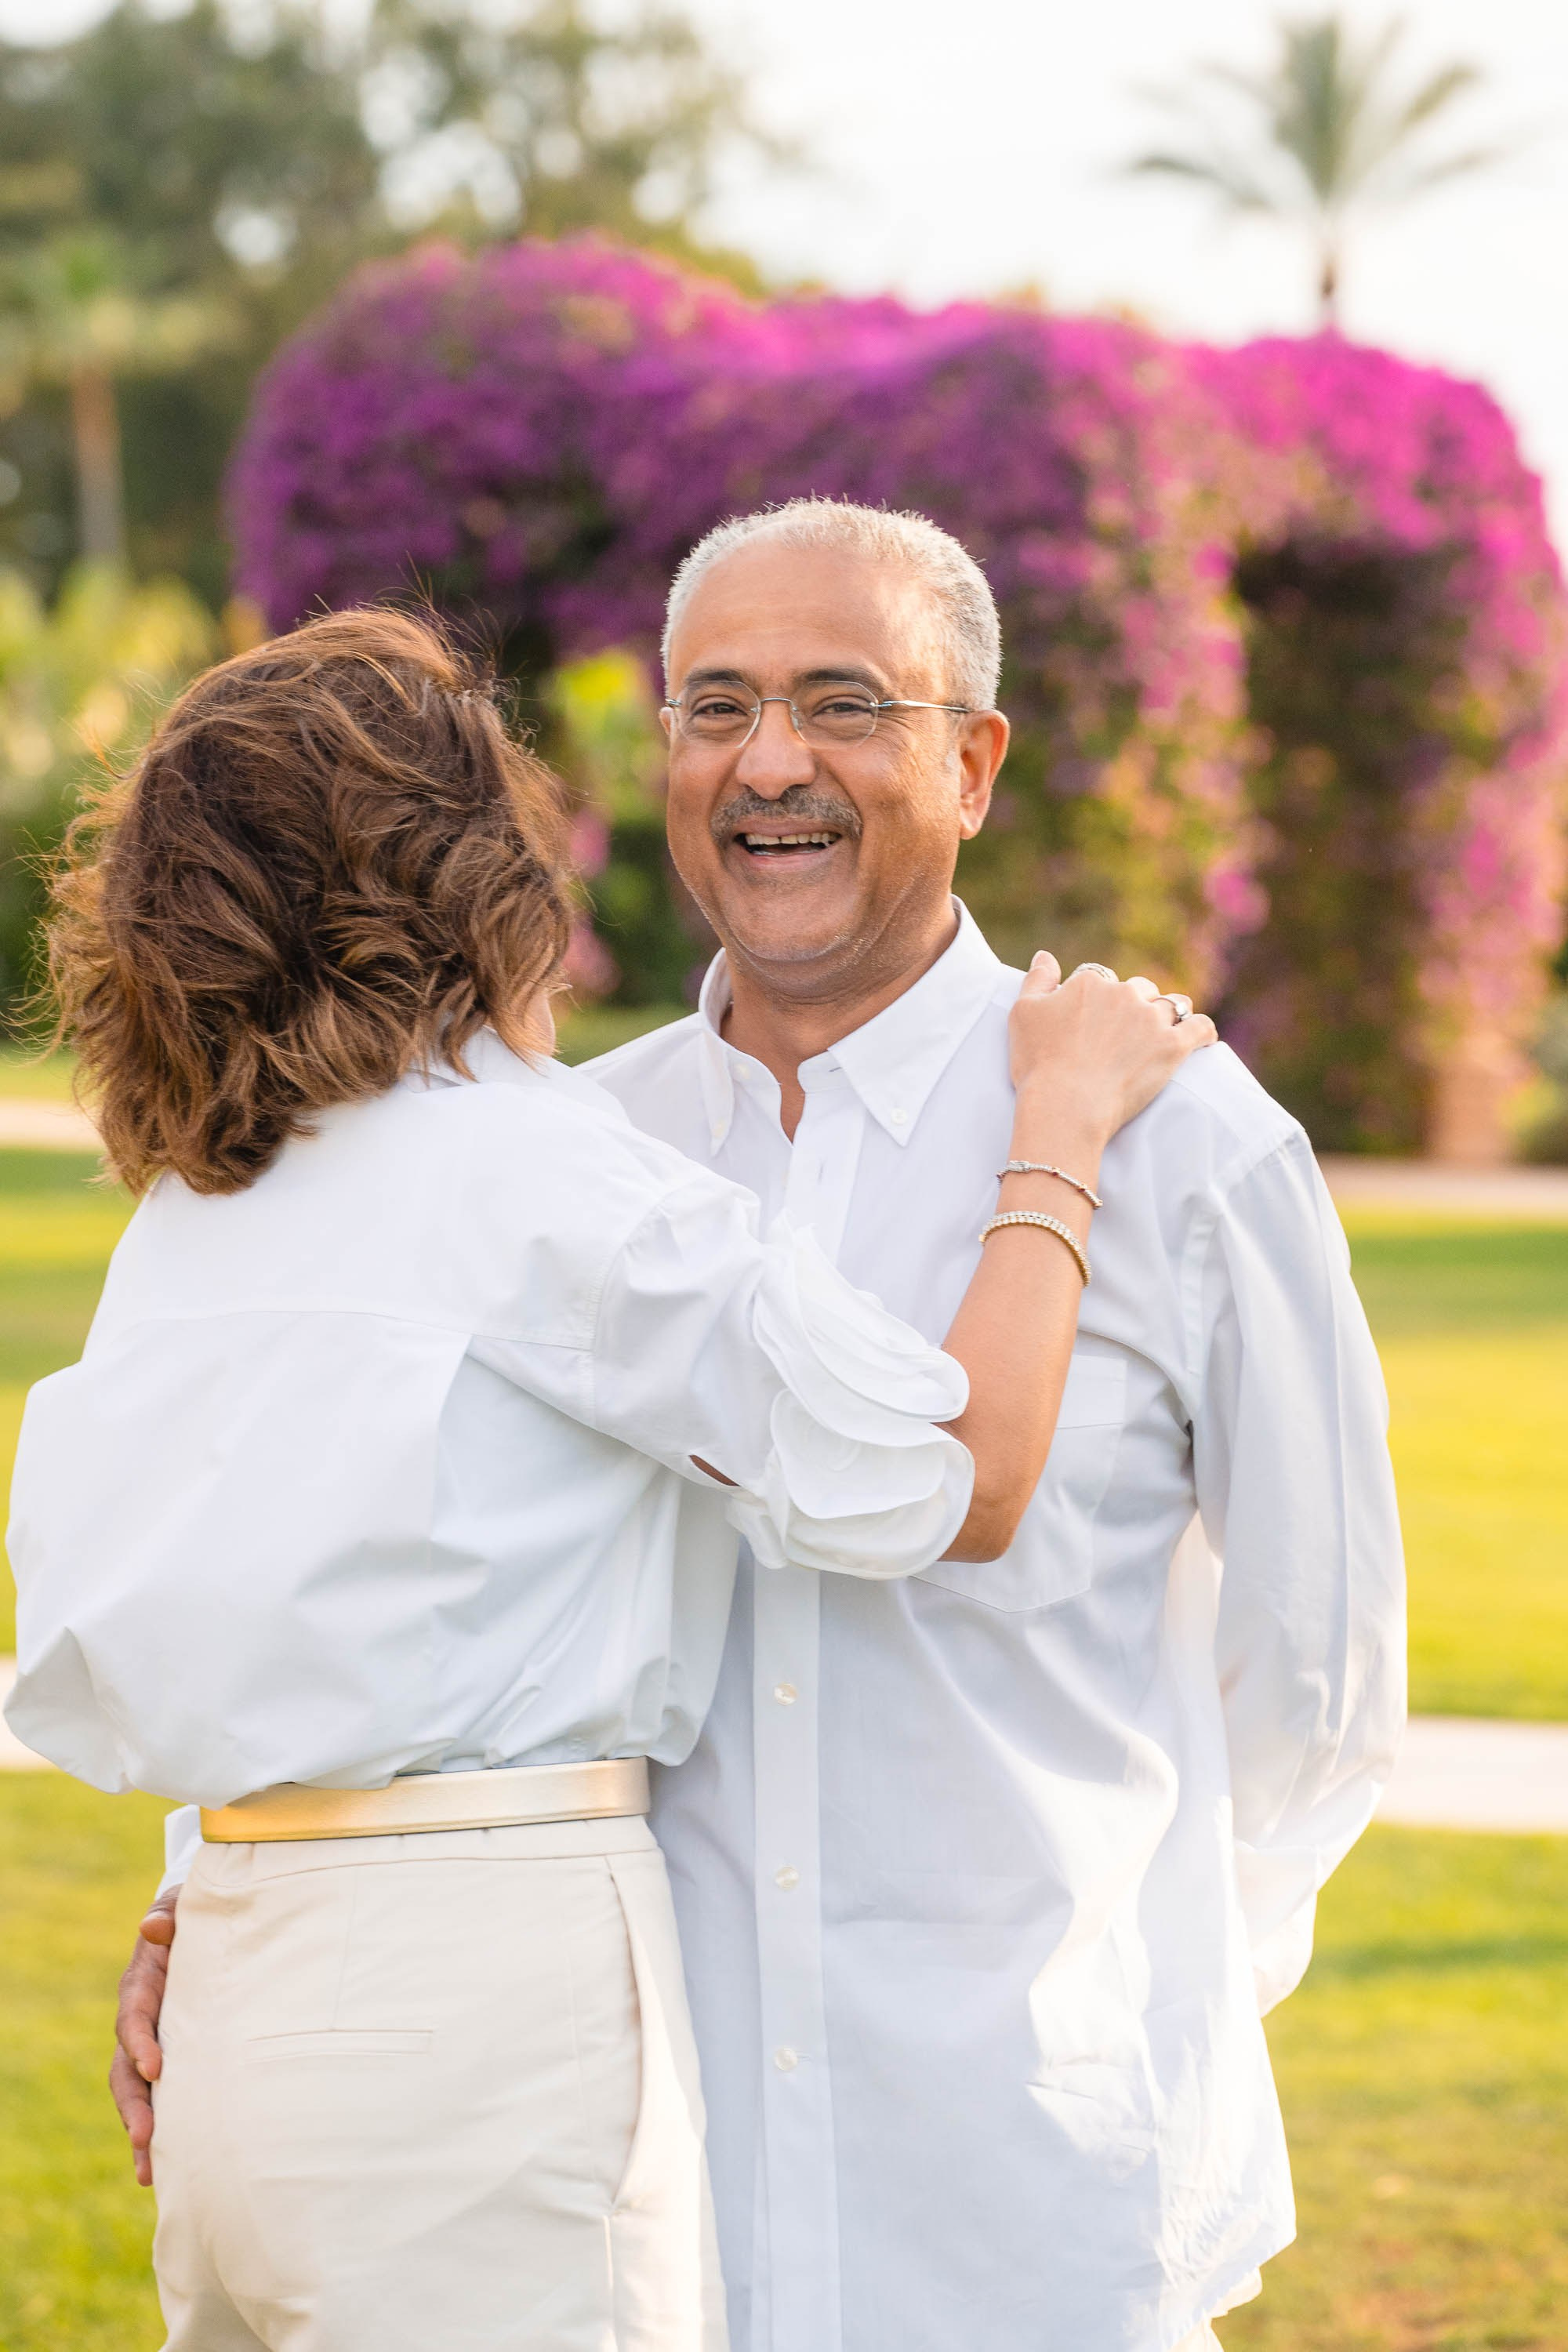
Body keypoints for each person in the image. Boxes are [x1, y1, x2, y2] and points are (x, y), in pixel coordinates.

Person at [7, 603, 1216, 2352]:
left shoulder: (198, 1219)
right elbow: (957, 1475)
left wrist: (205, 1887)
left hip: (241, 2003)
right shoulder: (537, 1176)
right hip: (482, 2009)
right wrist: (1062, 1127)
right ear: (472, 872)